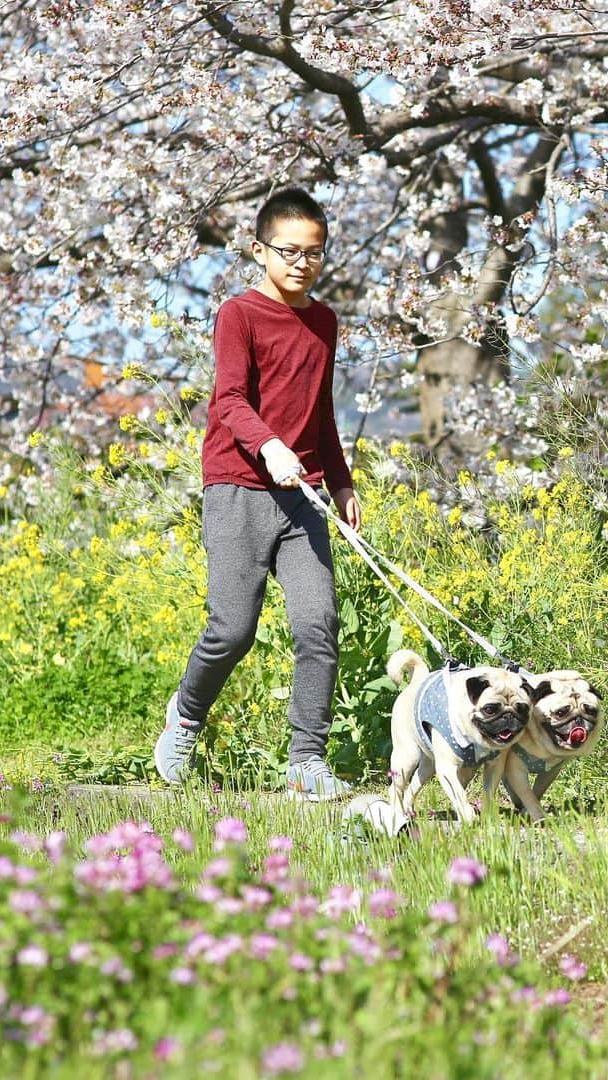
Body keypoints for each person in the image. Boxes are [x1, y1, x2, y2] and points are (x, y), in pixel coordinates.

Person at [154, 187, 361, 800]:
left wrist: (342, 480)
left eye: (315, 253)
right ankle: (187, 715)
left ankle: (307, 760)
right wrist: (270, 446)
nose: (302, 262)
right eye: (289, 251)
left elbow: (321, 413)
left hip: (305, 495)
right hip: (238, 485)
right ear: (259, 250)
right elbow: (229, 401)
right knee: (232, 629)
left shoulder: (323, 322)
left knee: (318, 624)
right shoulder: (239, 314)